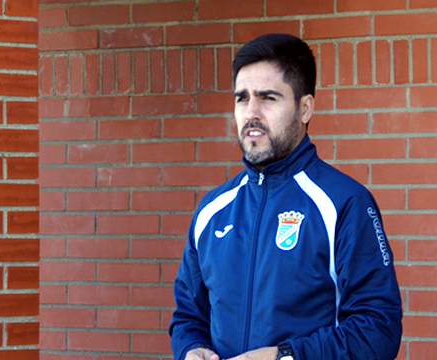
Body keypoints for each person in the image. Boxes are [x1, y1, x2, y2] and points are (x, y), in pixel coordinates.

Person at [168, 33, 403, 360]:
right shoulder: (212, 210)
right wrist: (191, 349)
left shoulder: (344, 203)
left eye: (268, 98)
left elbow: (379, 330)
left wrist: (285, 357)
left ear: (304, 108)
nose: (251, 113)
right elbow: (188, 316)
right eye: (242, 98)